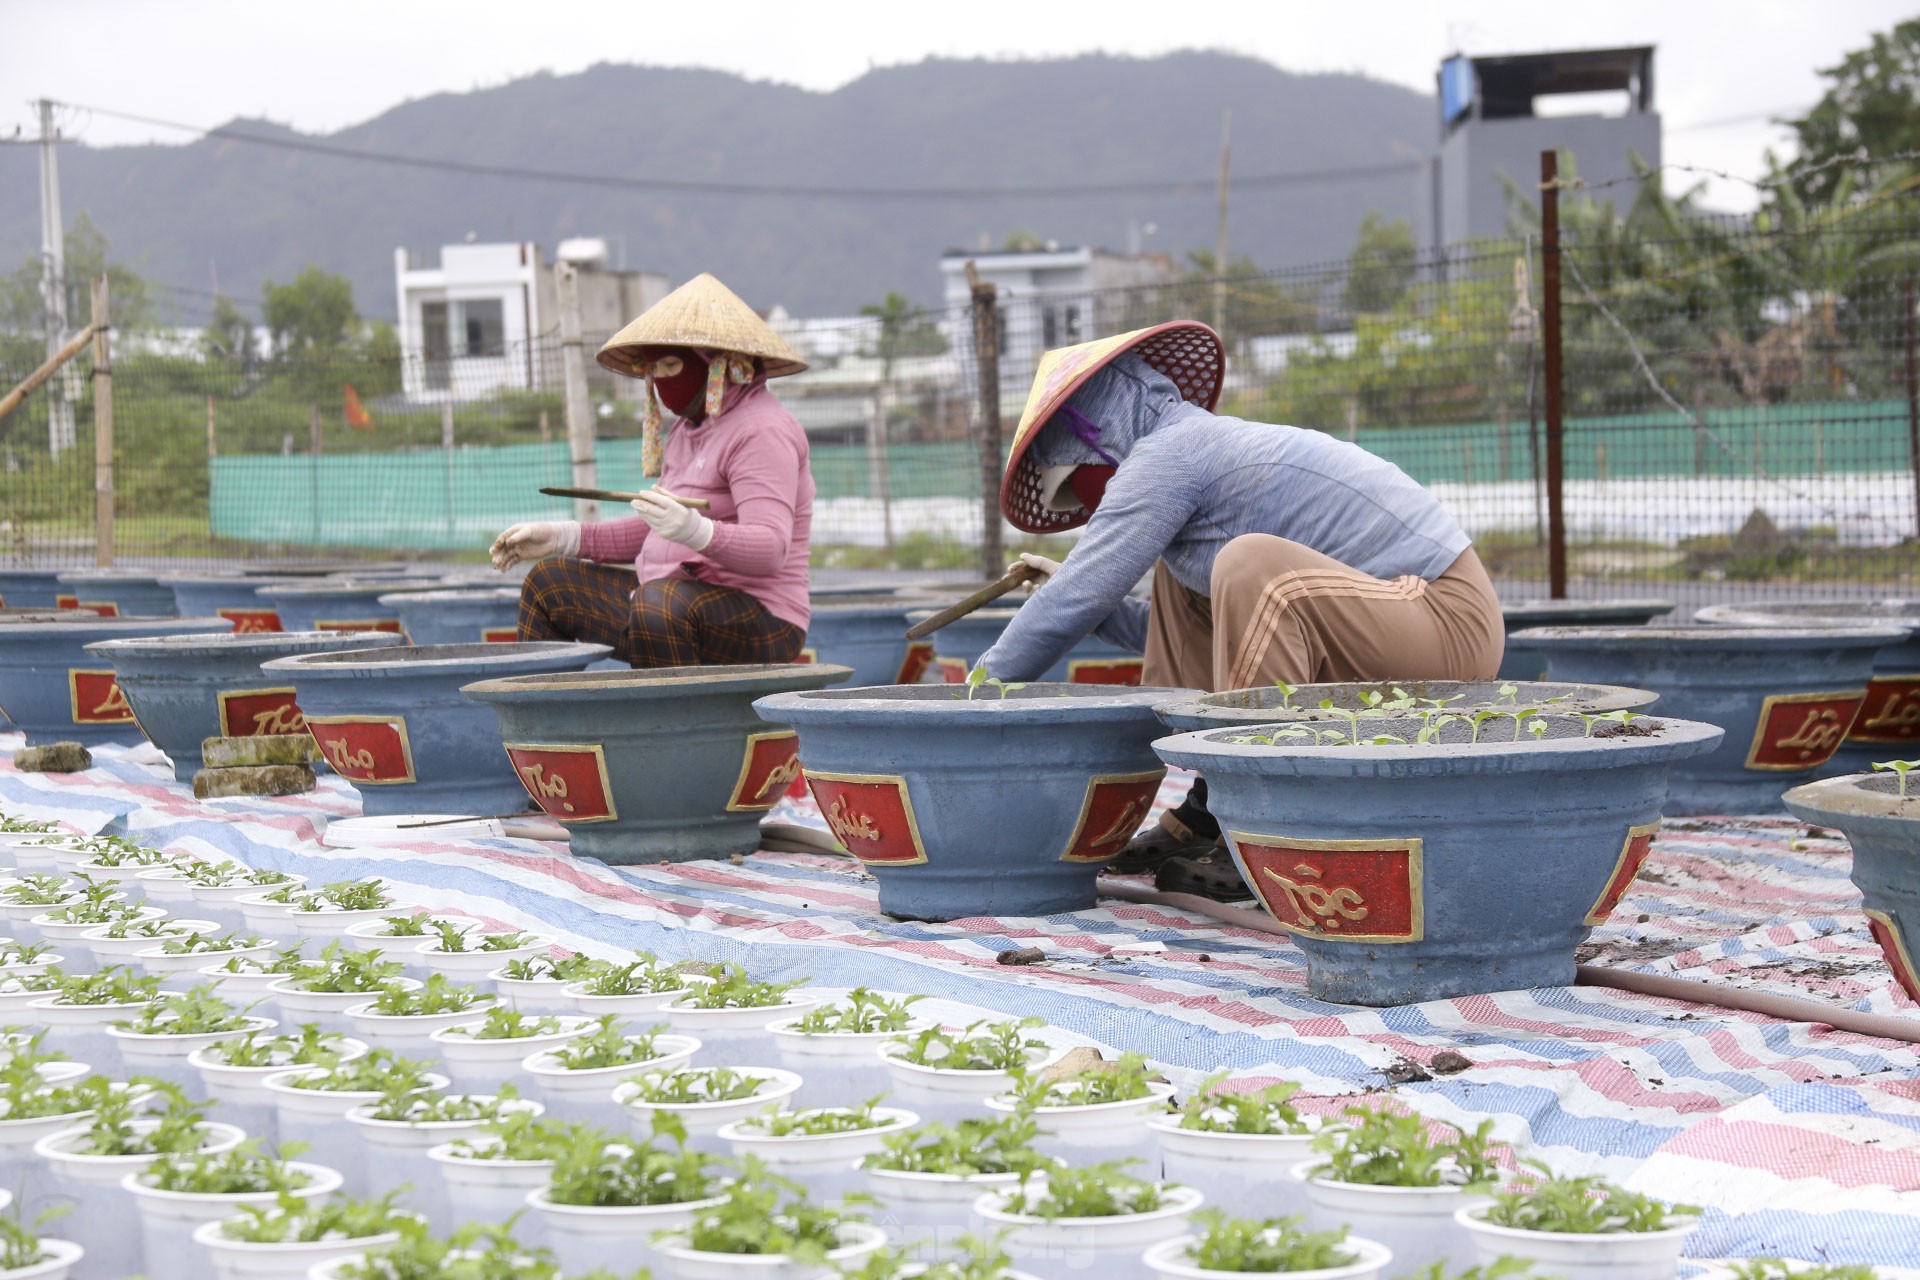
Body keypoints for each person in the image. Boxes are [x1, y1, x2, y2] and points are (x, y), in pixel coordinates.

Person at [977, 321, 1503, 899]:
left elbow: (1078, 597)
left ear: (1098, 439)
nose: (1088, 506)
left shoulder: (1171, 455)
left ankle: (1263, 829)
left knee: (1252, 565)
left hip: (1443, 616)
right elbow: (1166, 628)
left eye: (1081, 488)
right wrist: (1082, 601)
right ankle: (1206, 810)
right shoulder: (1188, 456)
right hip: (1387, 619)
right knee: (1181, 574)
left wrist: (981, 691)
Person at [489, 273, 814, 667]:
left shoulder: (761, 430)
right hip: (668, 599)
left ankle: (669, 726)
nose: (661, 381)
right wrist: (562, 537)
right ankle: (542, 724)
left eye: (673, 365)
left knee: (659, 604)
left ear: (715, 363)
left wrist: (696, 531)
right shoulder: (689, 429)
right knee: (550, 584)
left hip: (763, 617)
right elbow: (659, 526)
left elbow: (770, 549)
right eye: (653, 369)